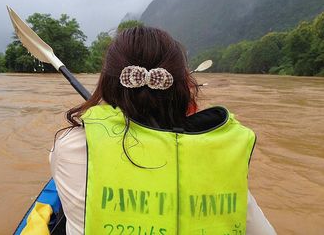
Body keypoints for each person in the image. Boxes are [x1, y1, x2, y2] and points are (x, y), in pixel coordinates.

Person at [50, 26, 276, 235]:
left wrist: (106, 112)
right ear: (182, 90)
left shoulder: (71, 146)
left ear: (108, 84)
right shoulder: (222, 158)